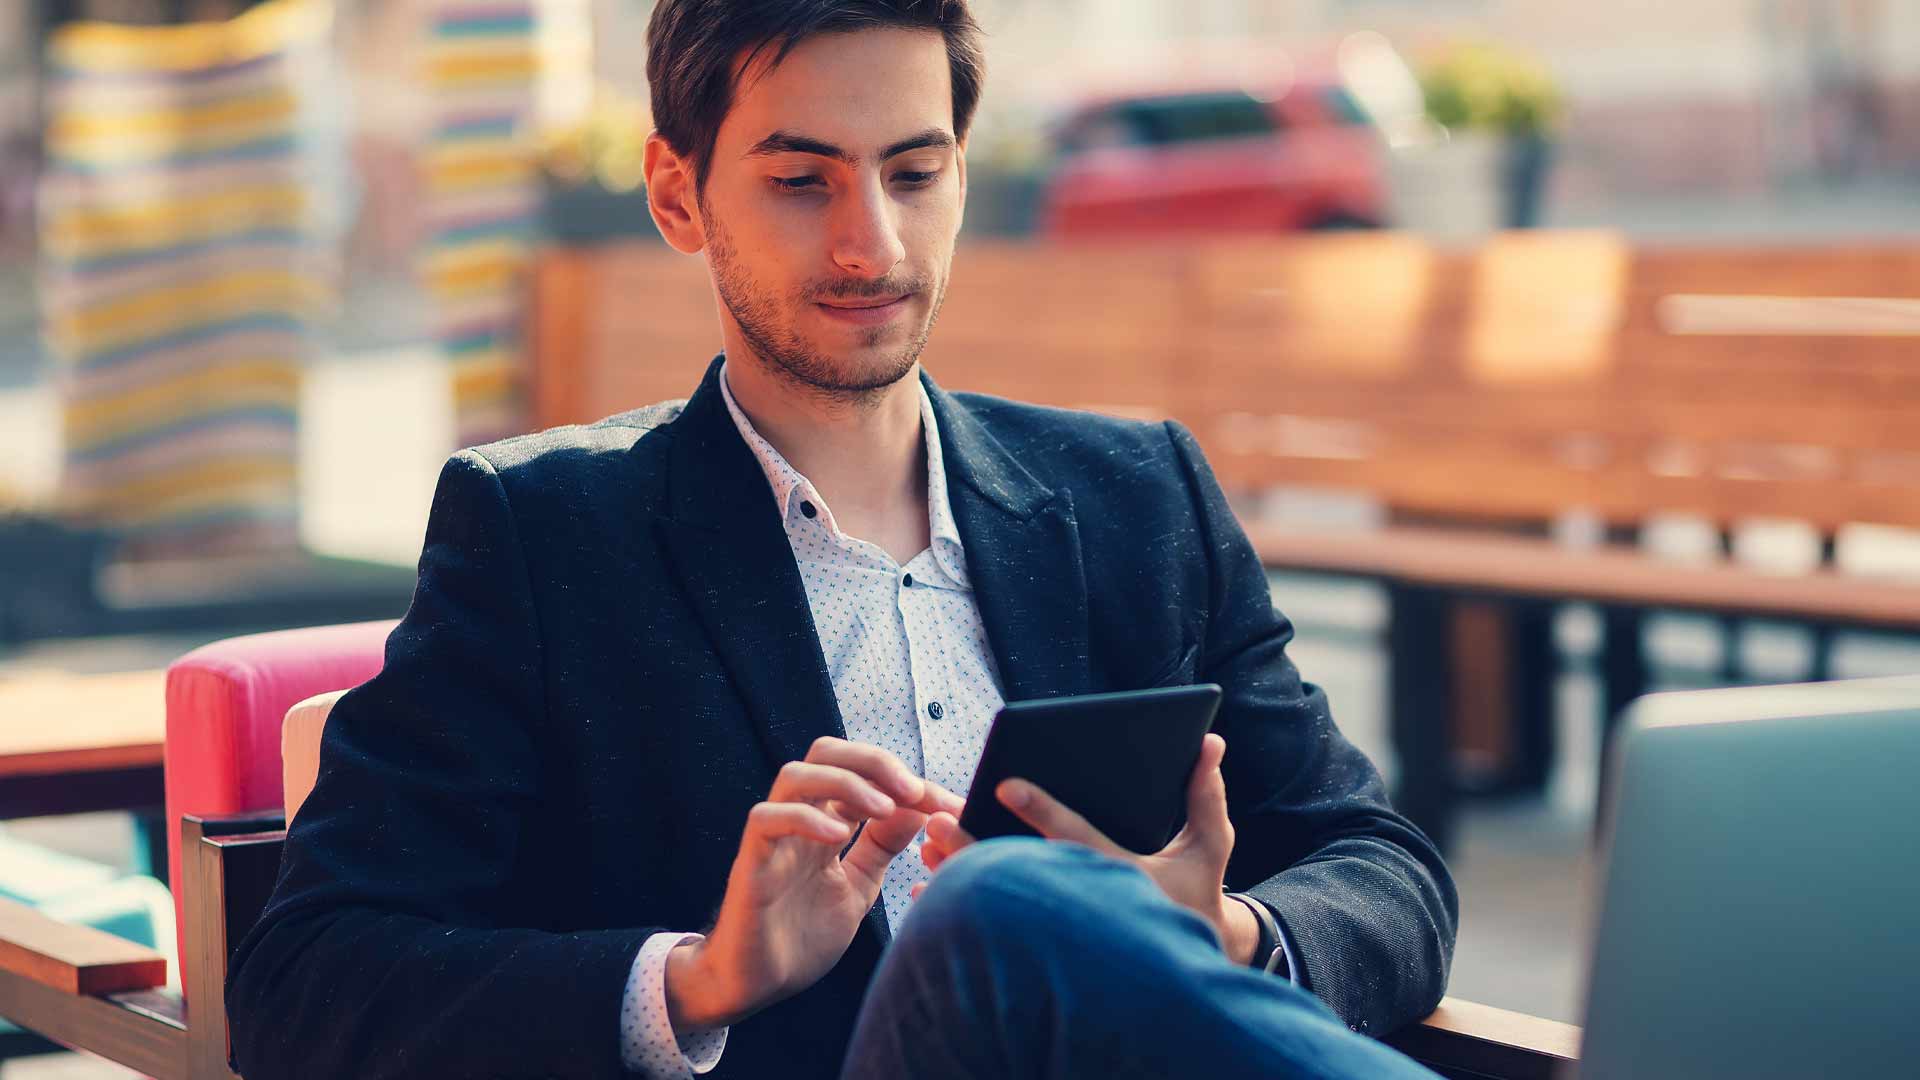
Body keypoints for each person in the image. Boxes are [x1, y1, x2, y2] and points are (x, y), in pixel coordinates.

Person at [225, 2, 1457, 1077]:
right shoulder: (542, 536)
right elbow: (306, 986)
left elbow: (1384, 870)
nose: (873, 244)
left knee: (1027, 915)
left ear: (962, 177)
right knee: (1007, 908)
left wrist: (1213, 937)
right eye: (801, 180)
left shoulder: (1139, 497)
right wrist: (698, 979)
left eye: (914, 174)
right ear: (677, 195)